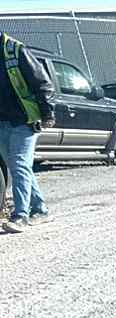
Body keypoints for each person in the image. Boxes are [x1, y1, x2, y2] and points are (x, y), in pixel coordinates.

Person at [0, 33, 54, 233]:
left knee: (19, 165)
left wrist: (48, 113)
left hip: (25, 120)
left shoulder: (15, 50)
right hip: (2, 121)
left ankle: (20, 216)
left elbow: (43, 83)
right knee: (19, 167)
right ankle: (40, 210)